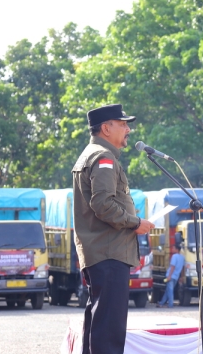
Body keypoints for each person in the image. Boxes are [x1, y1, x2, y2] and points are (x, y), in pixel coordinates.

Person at [72, 104, 155, 354]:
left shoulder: (92, 154)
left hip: (102, 251)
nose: (128, 129)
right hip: (109, 253)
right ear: (106, 128)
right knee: (109, 329)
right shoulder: (103, 157)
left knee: (99, 324)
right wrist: (135, 222)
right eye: (123, 124)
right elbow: (103, 204)